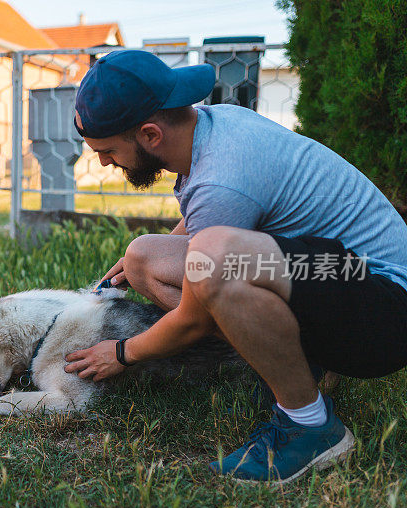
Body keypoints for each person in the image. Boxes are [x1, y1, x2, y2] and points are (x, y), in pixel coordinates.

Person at [63, 50, 407, 483]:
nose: (103, 163)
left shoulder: (223, 177)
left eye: (108, 150)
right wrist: (145, 264)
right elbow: (206, 214)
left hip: (383, 311)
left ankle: (309, 424)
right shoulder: (210, 126)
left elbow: (193, 316)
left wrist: (122, 353)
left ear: (150, 134)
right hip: (337, 277)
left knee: (214, 261)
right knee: (143, 257)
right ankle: (286, 359)